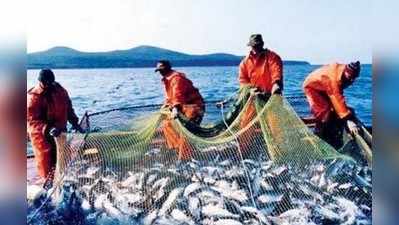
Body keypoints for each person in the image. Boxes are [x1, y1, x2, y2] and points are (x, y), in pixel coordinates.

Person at [27, 69, 84, 182]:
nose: (48, 84)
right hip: (42, 137)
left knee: (63, 158)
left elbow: (68, 108)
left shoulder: (61, 91)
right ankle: (47, 182)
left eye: (50, 82)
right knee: (46, 162)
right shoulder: (34, 97)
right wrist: (48, 129)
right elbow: (32, 121)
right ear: (40, 81)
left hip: (60, 132)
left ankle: (63, 178)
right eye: (45, 82)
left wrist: (75, 122)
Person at [238, 34, 283, 155]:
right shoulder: (245, 62)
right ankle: (242, 153)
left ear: (262, 44)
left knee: (276, 129)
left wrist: (276, 84)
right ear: (250, 46)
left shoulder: (272, 57)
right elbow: (243, 81)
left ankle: (278, 154)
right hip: (253, 100)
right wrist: (249, 90)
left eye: (258, 45)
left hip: (271, 99)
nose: (256, 48)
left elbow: (276, 73)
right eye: (254, 46)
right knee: (245, 127)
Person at [303, 61, 361, 148]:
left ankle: (328, 133)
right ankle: (318, 137)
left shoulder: (344, 74)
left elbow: (338, 96)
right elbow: (336, 97)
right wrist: (348, 120)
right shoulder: (333, 79)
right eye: (350, 77)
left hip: (325, 87)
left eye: (354, 78)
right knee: (323, 112)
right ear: (346, 71)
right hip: (312, 88)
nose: (351, 80)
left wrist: (346, 113)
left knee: (334, 111)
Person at [155, 60, 205, 160]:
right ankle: (177, 148)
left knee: (186, 130)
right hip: (182, 108)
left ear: (168, 68)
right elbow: (170, 97)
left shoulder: (176, 78)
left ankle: (185, 157)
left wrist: (176, 108)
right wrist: (165, 105)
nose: (160, 72)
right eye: (158, 70)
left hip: (194, 107)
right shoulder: (167, 79)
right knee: (167, 124)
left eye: (162, 69)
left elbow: (178, 95)